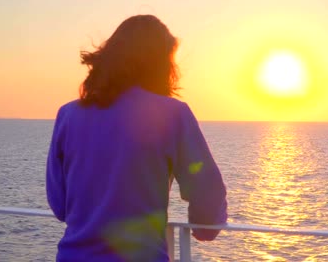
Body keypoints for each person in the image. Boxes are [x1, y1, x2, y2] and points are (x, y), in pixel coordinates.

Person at [46, 15, 227, 262]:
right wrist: (205, 227)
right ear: (161, 63)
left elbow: (60, 204)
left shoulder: (68, 114)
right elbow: (206, 188)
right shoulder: (172, 114)